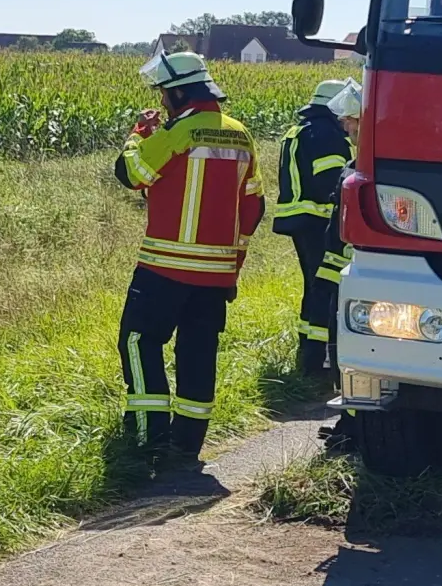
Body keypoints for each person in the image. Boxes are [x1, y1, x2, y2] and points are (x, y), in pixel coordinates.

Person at [114, 51, 265, 463]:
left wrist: (138, 135)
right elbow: (253, 208)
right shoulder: (240, 134)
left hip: (164, 267)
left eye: (164, 94)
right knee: (198, 351)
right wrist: (232, 267)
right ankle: (187, 445)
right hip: (216, 275)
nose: (162, 101)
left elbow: (130, 174)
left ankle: (149, 436)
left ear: (179, 92)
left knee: (138, 340)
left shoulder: (181, 132)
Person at [272, 79, 355, 379]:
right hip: (319, 222)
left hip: (299, 220)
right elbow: (332, 183)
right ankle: (318, 363)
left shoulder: (301, 130)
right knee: (326, 290)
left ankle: (308, 355)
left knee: (313, 287)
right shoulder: (325, 134)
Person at [316, 80, 363, 451]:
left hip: (358, 277)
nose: (345, 127)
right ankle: (348, 422)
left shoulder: (367, 165)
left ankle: (356, 427)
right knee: (341, 351)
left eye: (351, 121)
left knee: (352, 354)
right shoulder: (355, 163)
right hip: (341, 272)